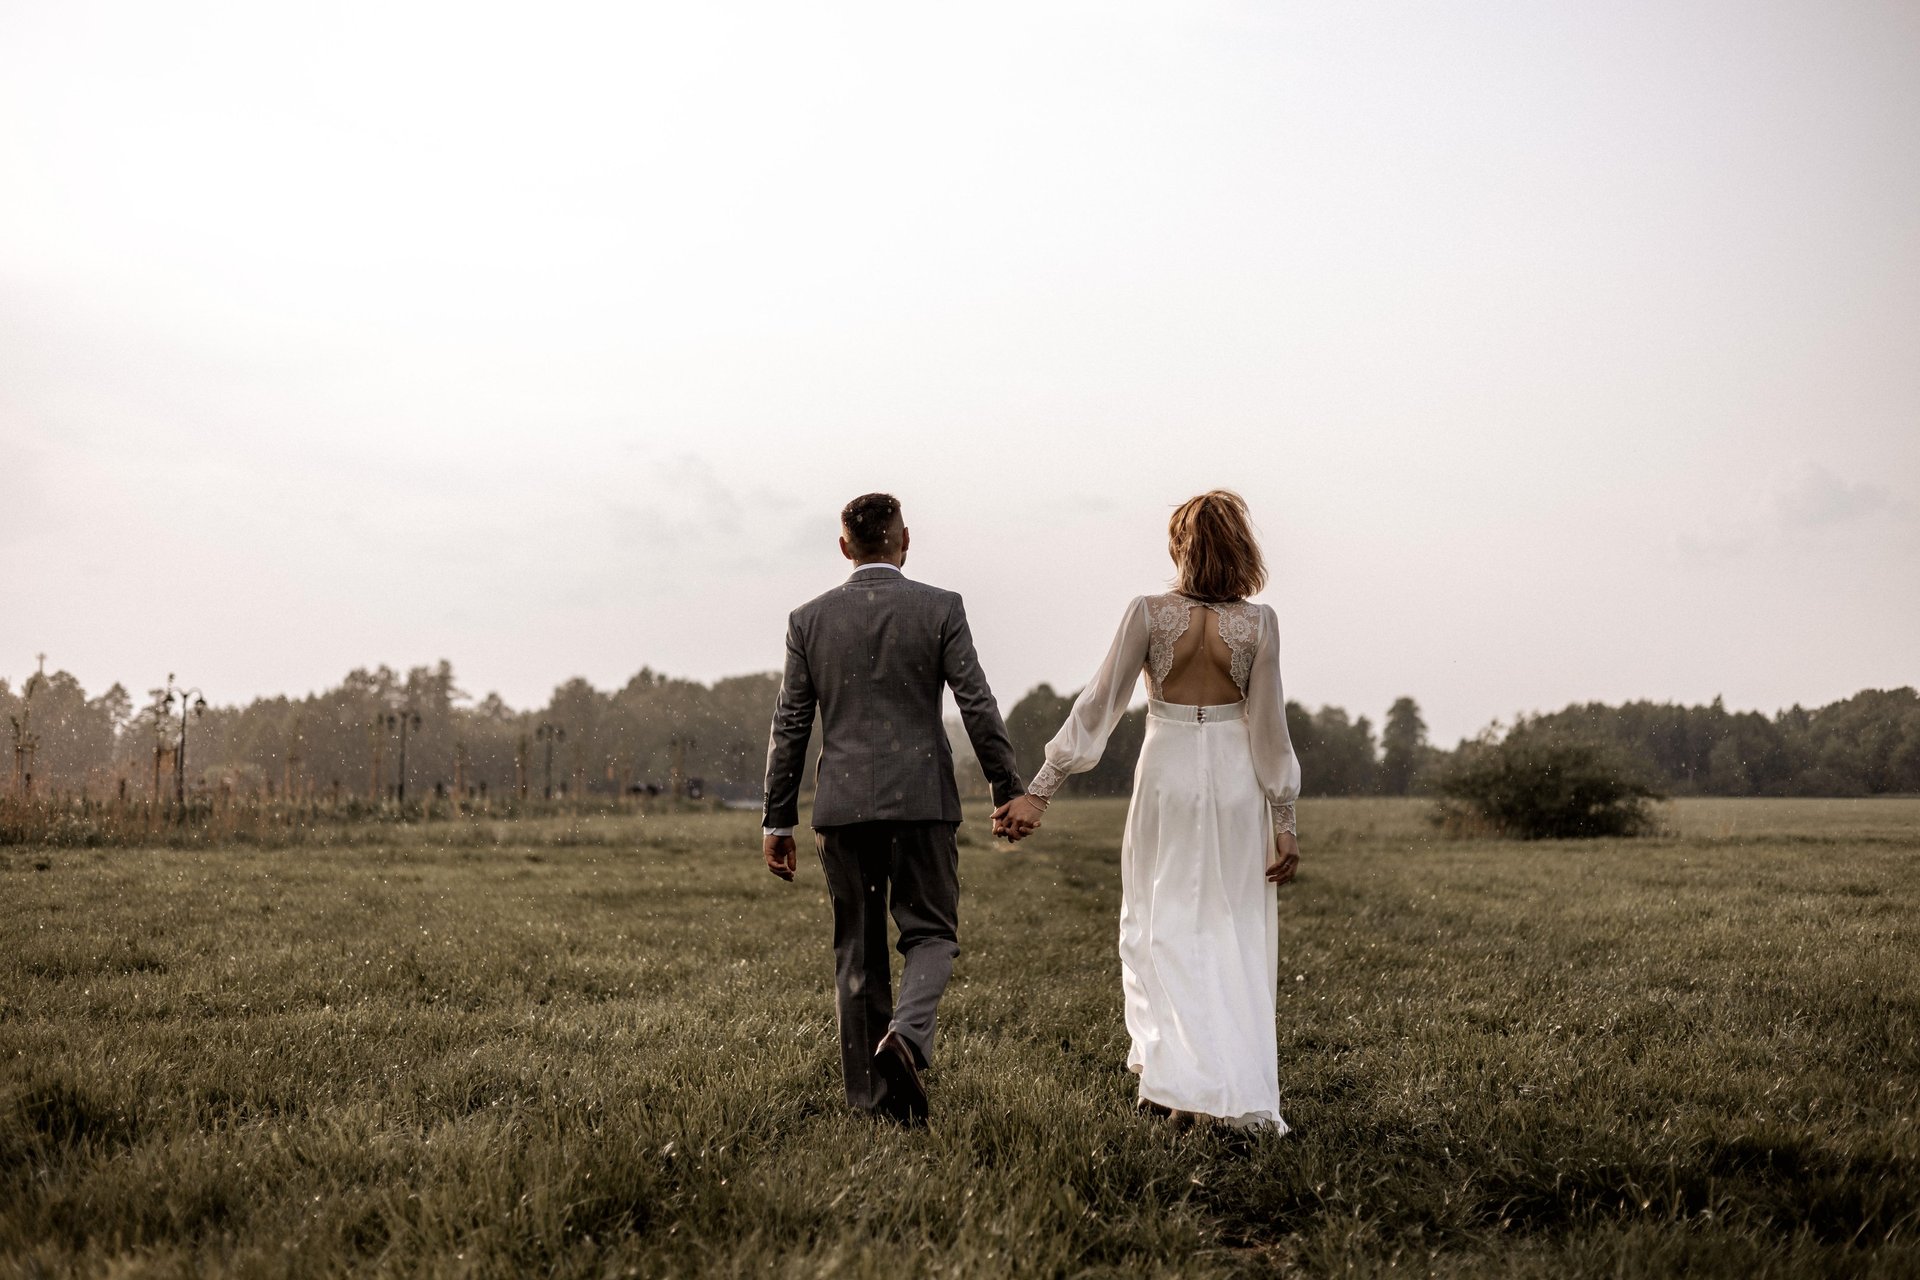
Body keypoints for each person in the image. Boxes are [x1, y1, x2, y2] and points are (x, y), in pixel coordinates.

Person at [993, 490, 1302, 1131]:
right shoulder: (1261, 623)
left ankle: (1172, 1083)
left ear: (1180, 548)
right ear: (1241, 547)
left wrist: (1040, 791)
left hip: (1167, 777)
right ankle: (1217, 1083)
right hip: (1235, 780)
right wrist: (1285, 821)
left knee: (1159, 920)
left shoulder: (1149, 612)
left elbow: (1098, 706)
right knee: (1229, 929)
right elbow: (1270, 730)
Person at [761, 492, 1026, 1125]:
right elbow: (977, 703)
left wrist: (778, 817)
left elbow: (791, 724)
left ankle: (873, 1105)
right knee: (931, 932)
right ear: (904, 540)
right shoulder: (940, 608)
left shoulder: (809, 620)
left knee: (858, 949)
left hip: (841, 808)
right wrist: (1004, 784)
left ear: (845, 545)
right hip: (923, 800)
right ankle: (906, 1038)